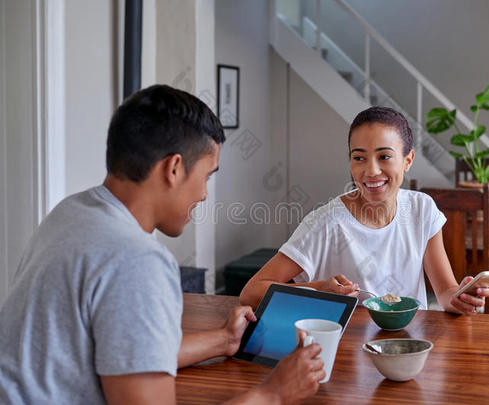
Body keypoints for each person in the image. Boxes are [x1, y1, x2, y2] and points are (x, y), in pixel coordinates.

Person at [0, 85, 324, 404]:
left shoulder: (72, 212)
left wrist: (223, 340)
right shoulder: (137, 260)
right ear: (173, 168)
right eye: (207, 176)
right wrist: (273, 394)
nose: (204, 194)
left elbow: (124, 350)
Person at [240, 107, 489, 314]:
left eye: (384, 156)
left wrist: (462, 298)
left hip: (409, 347)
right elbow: (251, 293)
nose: (371, 171)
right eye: (359, 158)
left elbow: (446, 293)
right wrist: (317, 290)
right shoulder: (326, 222)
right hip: (347, 355)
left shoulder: (421, 209)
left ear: (408, 160)